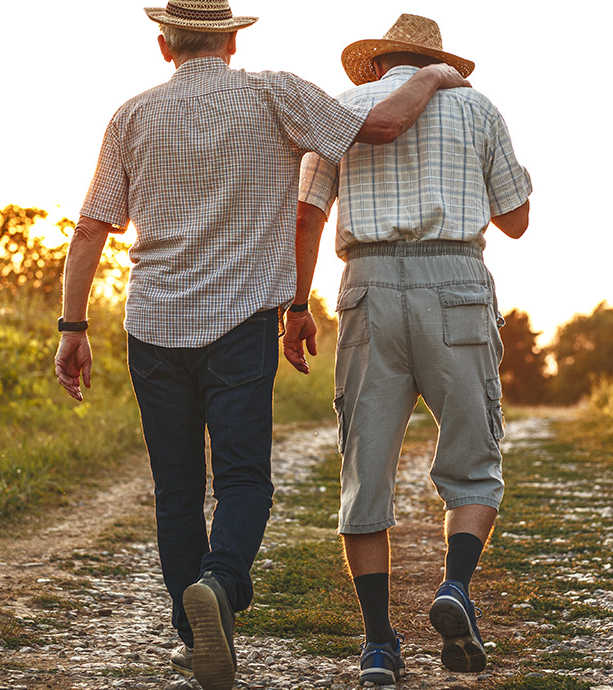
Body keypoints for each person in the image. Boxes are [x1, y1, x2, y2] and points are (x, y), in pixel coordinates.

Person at [52, 3, 470, 689]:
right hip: (240, 321)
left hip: (152, 323)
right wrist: (433, 76)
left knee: (176, 488)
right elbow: (385, 126)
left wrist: (73, 329)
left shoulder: (131, 115)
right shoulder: (273, 92)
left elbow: (91, 228)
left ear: (164, 45)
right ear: (233, 37)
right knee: (243, 477)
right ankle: (220, 583)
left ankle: (198, 636)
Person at [284, 13, 532, 686]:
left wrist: (296, 305)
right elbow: (516, 221)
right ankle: (454, 588)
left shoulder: (340, 110)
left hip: (364, 284)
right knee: (474, 458)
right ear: (438, 62)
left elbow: (307, 213)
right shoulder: (478, 109)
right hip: (454, 278)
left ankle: (376, 646)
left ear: (376, 64)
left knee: (365, 467)